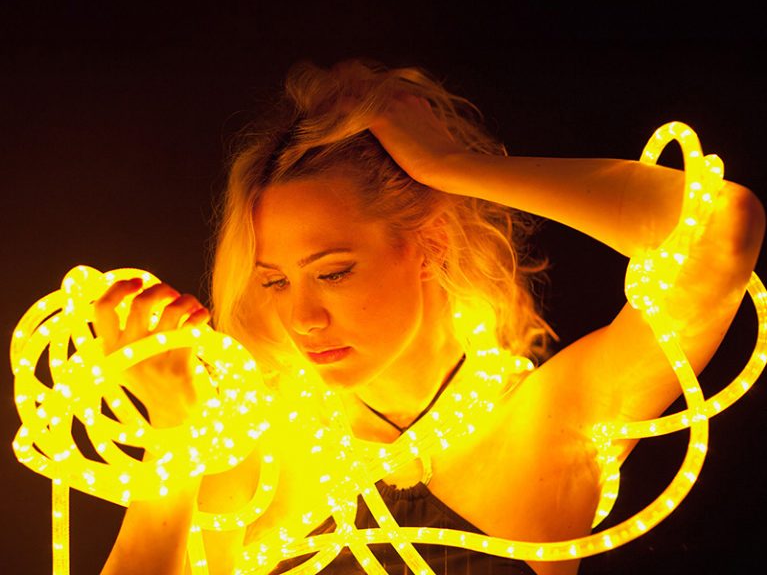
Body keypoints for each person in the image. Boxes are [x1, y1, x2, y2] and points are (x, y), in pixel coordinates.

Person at [94, 60, 764, 575]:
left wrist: (448, 167)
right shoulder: (255, 451)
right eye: (272, 280)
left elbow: (719, 227)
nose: (301, 316)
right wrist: (172, 435)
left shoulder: (540, 425)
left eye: (333, 271)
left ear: (431, 244)